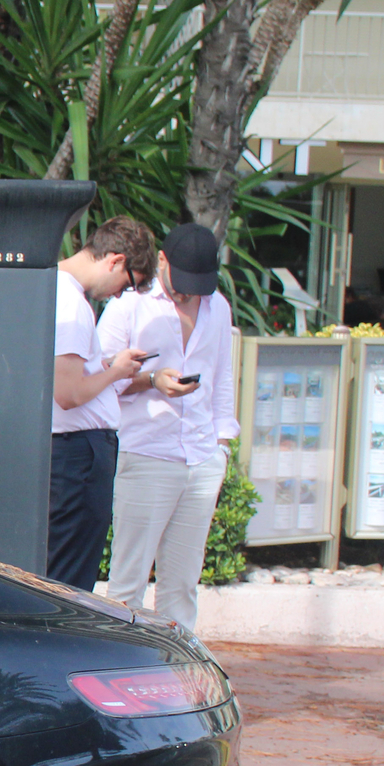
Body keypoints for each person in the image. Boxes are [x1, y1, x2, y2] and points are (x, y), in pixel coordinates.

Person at [99, 222, 239, 632]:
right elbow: (97, 378)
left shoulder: (218, 307)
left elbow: (221, 379)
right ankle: (119, 670)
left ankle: (177, 679)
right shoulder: (130, 305)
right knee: (128, 583)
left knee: (182, 586)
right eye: (182, 284)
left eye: (199, 286)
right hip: (145, 452)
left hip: (201, 455)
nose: (188, 294)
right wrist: (151, 381)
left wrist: (222, 448)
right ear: (162, 260)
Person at [48, 217, 157, 591]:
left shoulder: (58, 291)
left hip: (74, 456)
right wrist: (118, 371)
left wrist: (104, 367)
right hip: (78, 457)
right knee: (70, 582)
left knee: (65, 571)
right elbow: (68, 394)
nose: (118, 296)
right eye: (127, 284)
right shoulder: (72, 304)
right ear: (114, 261)